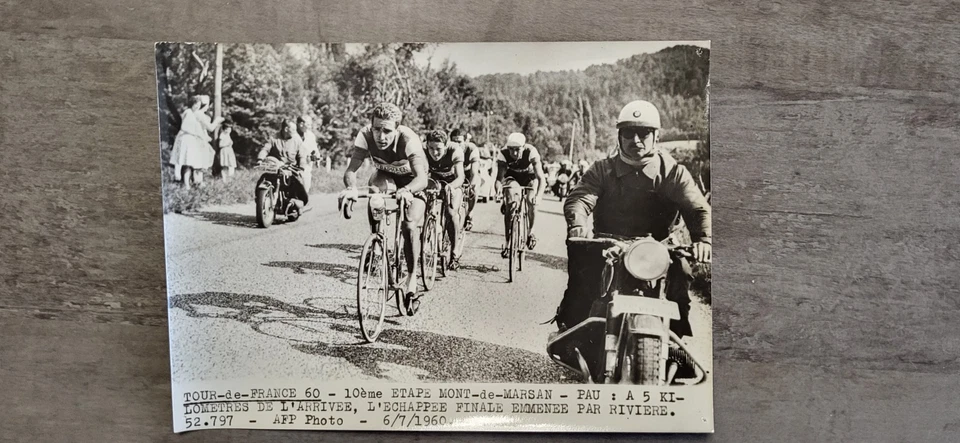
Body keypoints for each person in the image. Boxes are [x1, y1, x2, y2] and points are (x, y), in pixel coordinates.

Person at [559, 100, 712, 339]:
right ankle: (573, 331)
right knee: (583, 266)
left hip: (659, 247)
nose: (636, 140)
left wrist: (703, 239)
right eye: (628, 133)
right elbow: (579, 198)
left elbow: (697, 208)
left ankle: (675, 344)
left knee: (681, 274)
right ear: (619, 137)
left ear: (656, 136)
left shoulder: (672, 172)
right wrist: (578, 224)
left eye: (644, 133)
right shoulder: (602, 169)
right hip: (608, 243)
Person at [339, 103, 428, 314]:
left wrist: (407, 190)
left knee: (408, 226)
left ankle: (412, 282)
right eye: (377, 128)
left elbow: (422, 178)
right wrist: (351, 188)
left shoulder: (408, 139)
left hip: (412, 180)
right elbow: (351, 169)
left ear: (397, 129)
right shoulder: (365, 135)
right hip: (385, 176)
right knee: (374, 193)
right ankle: (377, 244)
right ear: (372, 126)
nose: (381, 135)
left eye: (387, 130)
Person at [496, 132, 547, 257]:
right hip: (512, 178)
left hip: (530, 177)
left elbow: (541, 179)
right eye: (511, 150)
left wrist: (538, 196)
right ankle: (508, 243)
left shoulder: (531, 152)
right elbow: (499, 178)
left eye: (517, 150)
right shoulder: (503, 153)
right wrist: (498, 190)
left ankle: (530, 232)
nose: (514, 153)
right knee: (510, 205)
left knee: (531, 200)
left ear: (523, 147)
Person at [425, 129, 466, 270]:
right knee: (424, 205)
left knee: (450, 212)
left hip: (453, 181)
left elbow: (460, 177)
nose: (434, 153)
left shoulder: (455, 150)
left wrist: (451, 187)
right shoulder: (423, 151)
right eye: (431, 148)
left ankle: (454, 254)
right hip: (435, 180)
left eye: (438, 149)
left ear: (446, 145)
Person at [256, 119, 310, 216]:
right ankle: (259, 199)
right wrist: (260, 159)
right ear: (286, 129)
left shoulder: (297, 141)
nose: (295, 132)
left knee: (298, 182)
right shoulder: (273, 138)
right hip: (275, 167)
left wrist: (301, 168)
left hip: (290, 168)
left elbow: (302, 156)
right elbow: (265, 149)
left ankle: (297, 203)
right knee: (262, 179)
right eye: (293, 129)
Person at [169, 95, 222, 189]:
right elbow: (187, 127)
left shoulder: (195, 114)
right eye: (196, 104)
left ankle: (193, 182)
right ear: (192, 104)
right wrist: (216, 121)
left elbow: (197, 129)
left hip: (192, 139)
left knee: (192, 162)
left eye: (199, 104)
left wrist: (202, 135)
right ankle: (188, 183)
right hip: (187, 139)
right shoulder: (190, 112)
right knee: (188, 162)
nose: (197, 106)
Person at [451, 130, 482, 231]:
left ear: (465, 141)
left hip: (469, 173)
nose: (456, 144)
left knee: (474, 189)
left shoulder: (472, 148)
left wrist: (471, 186)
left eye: (459, 142)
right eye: (454, 141)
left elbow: (474, 172)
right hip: (456, 173)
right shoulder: (450, 148)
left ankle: (469, 213)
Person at [296, 115, 320, 193]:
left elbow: (314, 149)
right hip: (292, 163)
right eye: (308, 124)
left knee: (305, 186)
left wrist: (317, 158)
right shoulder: (292, 134)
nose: (310, 127)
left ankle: (303, 200)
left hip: (306, 164)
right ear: (301, 124)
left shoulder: (311, 135)